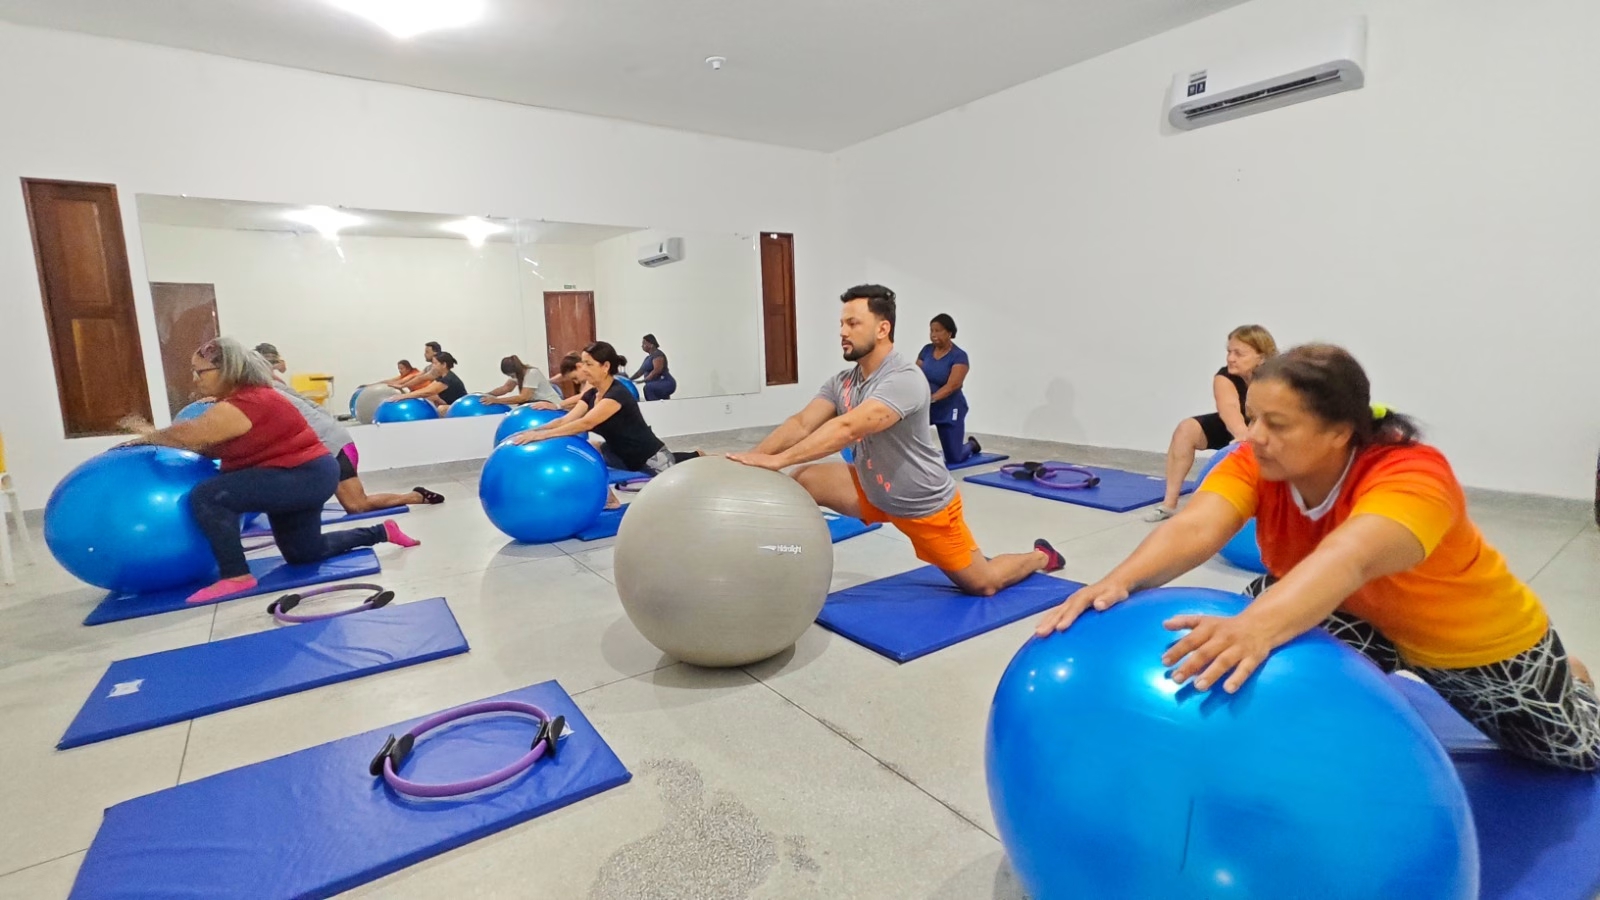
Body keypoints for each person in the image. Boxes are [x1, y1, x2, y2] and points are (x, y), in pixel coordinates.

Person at [1035, 344, 1599, 772]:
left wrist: (1255, 628)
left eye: (1275, 425)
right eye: (1252, 418)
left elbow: (1349, 557)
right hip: (1349, 613)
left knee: (1574, 755)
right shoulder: (1255, 459)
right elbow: (1199, 524)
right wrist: (1118, 582)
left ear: (1339, 432)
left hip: (1471, 640)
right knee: (1265, 651)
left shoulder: (1413, 474)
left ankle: (1571, 679)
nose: (1253, 436)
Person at [728, 285, 1064, 597]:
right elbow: (801, 423)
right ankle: (778, 567)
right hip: (872, 489)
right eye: (841, 323)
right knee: (803, 481)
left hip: (921, 504)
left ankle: (1040, 556)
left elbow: (849, 428)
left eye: (852, 323)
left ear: (882, 328)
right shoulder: (843, 382)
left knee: (984, 584)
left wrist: (778, 460)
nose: (842, 332)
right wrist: (750, 459)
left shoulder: (904, 378)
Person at [118, 337, 419, 603]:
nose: (195, 379)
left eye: (200, 372)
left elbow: (188, 437)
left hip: (302, 476)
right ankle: (382, 531)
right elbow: (206, 445)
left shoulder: (246, 403)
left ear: (228, 370)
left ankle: (235, 575)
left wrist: (145, 435)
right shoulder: (241, 400)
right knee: (304, 554)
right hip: (304, 475)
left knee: (209, 496)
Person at [509, 342, 690, 509]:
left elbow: (586, 423)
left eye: (589, 364)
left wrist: (541, 436)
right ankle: (609, 500)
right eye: (583, 364)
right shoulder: (591, 395)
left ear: (605, 367)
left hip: (650, 458)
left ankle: (700, 457)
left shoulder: (617, 394)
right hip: (619, 455)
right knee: (591, 448)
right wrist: (532, 431)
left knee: (680, 503)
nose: (584, 369)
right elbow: (565, 420)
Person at [1147, 325, 1278, 522]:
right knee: (1186, 429)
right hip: (1236, 427)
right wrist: (1243, 436)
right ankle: (1169, 504)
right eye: (1229, 352)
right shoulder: (1225, 376)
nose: (1230, 358)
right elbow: (1229, 409)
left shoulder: (1277, 378)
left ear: (1261, 357)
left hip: (1268, 429)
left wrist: (1253, 435)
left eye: (1238, 353)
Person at [916, 314, 981, 466]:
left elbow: (953, 386)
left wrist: (930, 399)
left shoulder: (959, 356)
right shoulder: (926, 350)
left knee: (954, 458)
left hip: (950, 408)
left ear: (949, 333)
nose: (933, 335)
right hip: (928, 407)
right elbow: (916, 375)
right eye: (931, 330)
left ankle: (972, 445)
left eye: (938, 331)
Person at [389, 352, 466, 408]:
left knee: (441, 409)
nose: (433, 366)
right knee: (431, 397)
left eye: (435, 363)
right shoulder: (440, 376)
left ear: (444, 365)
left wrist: (403, 396)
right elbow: (421, 379)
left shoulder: (448, 379)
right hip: (451, 403)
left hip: (461, 407)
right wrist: (402, 386)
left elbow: (427, 391)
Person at [483, 355, 563, 408]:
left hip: (549, 403)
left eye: (511, 375)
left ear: (516, 371)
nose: (511, 377)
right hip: (535, 403)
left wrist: (497, 401)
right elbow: (506, 388)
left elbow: (524, 397)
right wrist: (487, 394)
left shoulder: (532, 373)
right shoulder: (518, 374)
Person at [630, 334, 677, 401]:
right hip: (655, 384)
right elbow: (640, 372)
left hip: (665, 382)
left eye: (644, 343)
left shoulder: (658, 354)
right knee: (650, 389)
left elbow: (657, 370)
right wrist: (629, 379)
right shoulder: (648, 358)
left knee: (648, 388)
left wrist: (643, 381)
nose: (642, 345)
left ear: (651, 344)